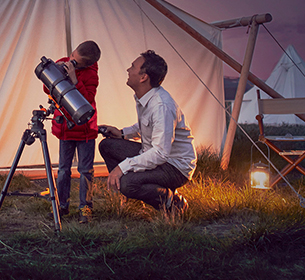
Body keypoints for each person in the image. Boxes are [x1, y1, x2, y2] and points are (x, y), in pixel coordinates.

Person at [99, 50, 196, 216]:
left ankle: (172, 201)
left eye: (133, 67)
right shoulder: (146, 97)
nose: (128, 70)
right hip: (154, 155)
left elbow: (160, 153)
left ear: (144, 77)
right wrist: (122, 133)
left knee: (127, 183)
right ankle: (131, 192)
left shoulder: (161, 106)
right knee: (107, 145)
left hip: (174, 167)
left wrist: (121, 168)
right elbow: (144, 126)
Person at [43, 41, 100, 223]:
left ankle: (85, 207)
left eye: (76, 62)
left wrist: (75, 80)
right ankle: (62, 205)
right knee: (63, 170)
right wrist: (54, 74)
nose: (71, 62)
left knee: (85, 171)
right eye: (72, 57)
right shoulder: (63, 62)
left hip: (85, 130)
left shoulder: (91, 75)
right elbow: (47, 89)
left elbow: (88, 99)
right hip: (66, 129)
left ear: (87, 64)